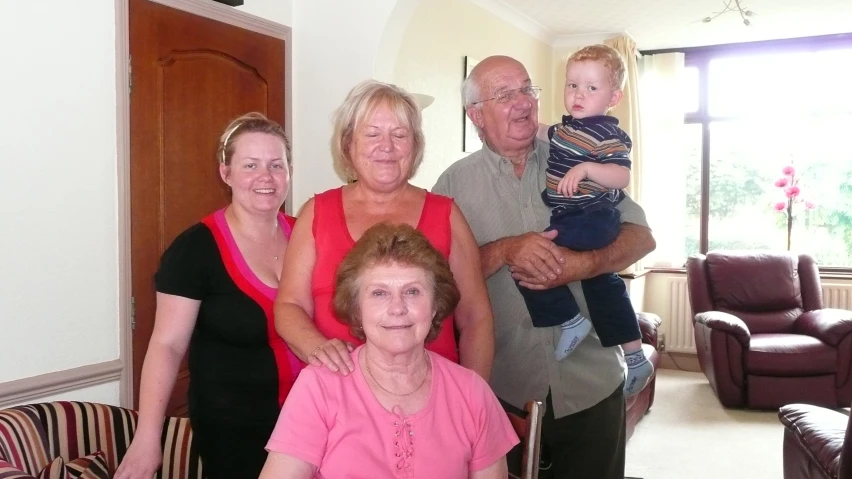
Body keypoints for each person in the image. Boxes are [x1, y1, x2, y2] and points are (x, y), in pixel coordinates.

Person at [433, 55, 656, 479]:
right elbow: (438, 284)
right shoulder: (451, 187)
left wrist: (582, 264)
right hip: (503, 394)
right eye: (505, 94)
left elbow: (642, 236)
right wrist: (502, 251)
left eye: (527, 89)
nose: (522, 103)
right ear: (475, 114)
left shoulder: (578, 154)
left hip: (591, 386)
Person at [115, 113, 300, 479]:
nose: (265, 177)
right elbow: (166, 346)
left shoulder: (305, 236)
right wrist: (147, 438)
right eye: (250, 165)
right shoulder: (195, 250)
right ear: (226, 173)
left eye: (276, 165)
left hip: (308, 423)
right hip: (234, 431)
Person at [274, 80, 494, 381]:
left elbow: (476, 317)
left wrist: (472, 396)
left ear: (414, 144)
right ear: (349, 144)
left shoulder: (446, 214)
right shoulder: (316, 213)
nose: (386, 147)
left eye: (399, 134)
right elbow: (289, 306)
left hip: (432, 396)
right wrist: (319, 349)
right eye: (372, 134)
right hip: (341, 394)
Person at [260, 223, 517, 478]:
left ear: (436, 306)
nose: (397, 308)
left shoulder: (472, 393)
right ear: (357, 309)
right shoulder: (319, 387)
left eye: (413, 292)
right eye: (379, 293)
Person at [515, 44, 653, 396]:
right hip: (571, 213)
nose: (579, 94)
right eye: (572, 85)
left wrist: (589, 168)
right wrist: (526, 120)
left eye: (592, 88)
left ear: (614, 97)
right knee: (601, 285)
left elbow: (621, 177)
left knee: (533, 258)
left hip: (594, 216)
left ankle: (569, 320)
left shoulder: (608, 134)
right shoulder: (568, 129)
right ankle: (635, 355)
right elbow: (543, 132)